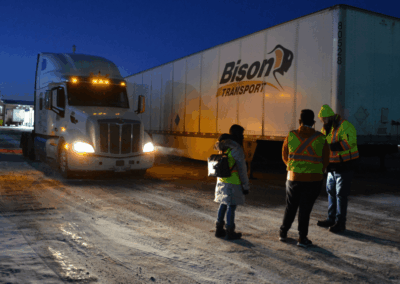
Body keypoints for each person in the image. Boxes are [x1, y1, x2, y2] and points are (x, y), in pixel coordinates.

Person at [280, 109, 330, 248]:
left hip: (293, 177)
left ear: (299, 122)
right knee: (305, 209)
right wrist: (317, 170)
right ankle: (302, 238)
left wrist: (293, 167)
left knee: (290, 206)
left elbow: (285, 156)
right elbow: (326, 160)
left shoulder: (291, 135)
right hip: (313, 179)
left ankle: (283, 233)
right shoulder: (321, 138)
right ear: (314, 123)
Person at [316, 105, 359, 233]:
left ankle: (340, 223)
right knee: (331, 193)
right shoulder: (326, 129)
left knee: (340, 195)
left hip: (345, 166)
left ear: (330, 117)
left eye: (324, 119)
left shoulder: (345, 126)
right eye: (321, 120)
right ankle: (331, 219)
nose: (323, 122)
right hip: (332, 166)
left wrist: (330, 147)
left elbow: (349, 143)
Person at [214, 124, 250, 240]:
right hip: (233, 181)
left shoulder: (222, 146)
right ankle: (230, 231)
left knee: (223, 203)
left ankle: (219, 229)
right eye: (242, 134)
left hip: (221, 179)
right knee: (231, 206)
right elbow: (242, 169)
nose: (243, 137)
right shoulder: (237, 148)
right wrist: (245, 185)